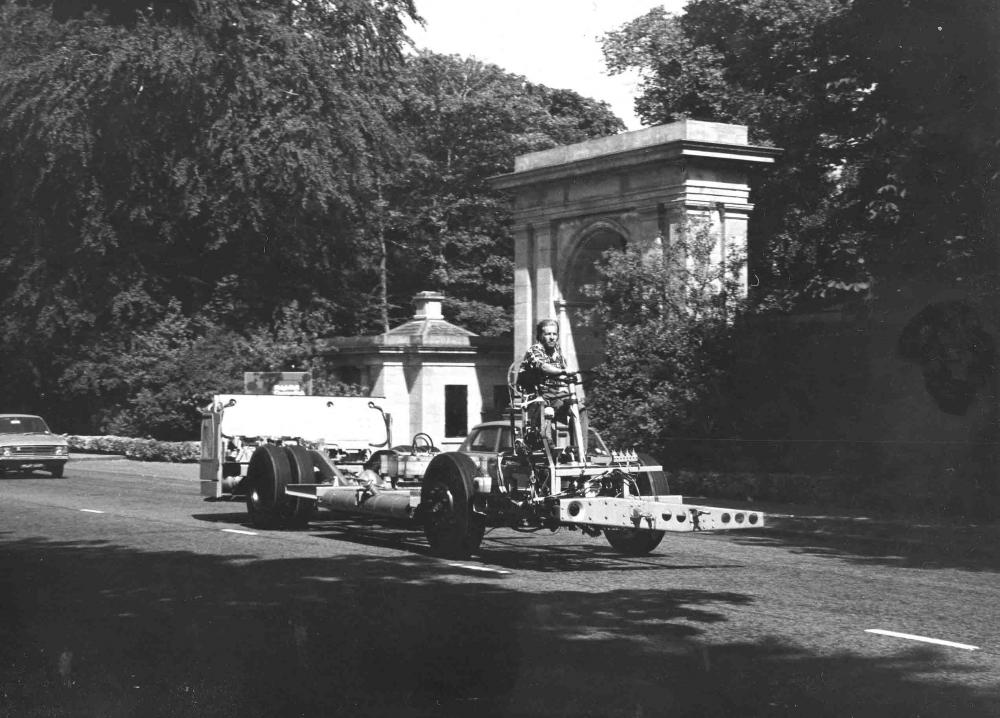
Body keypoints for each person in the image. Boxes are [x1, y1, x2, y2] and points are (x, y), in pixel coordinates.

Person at [517, 319, 588, 457]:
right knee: (546, 415)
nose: (552, 337)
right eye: (548, 334)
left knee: (579, 409)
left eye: (554, 334)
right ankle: (549, 452)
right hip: (536, 398)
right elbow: (544, 367)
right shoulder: (534, 350)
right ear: (540, 335)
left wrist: (569, 384)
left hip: (555, 395)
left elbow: (565, 371)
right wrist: (562, 372)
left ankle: (579, 450)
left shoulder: (557, 351)